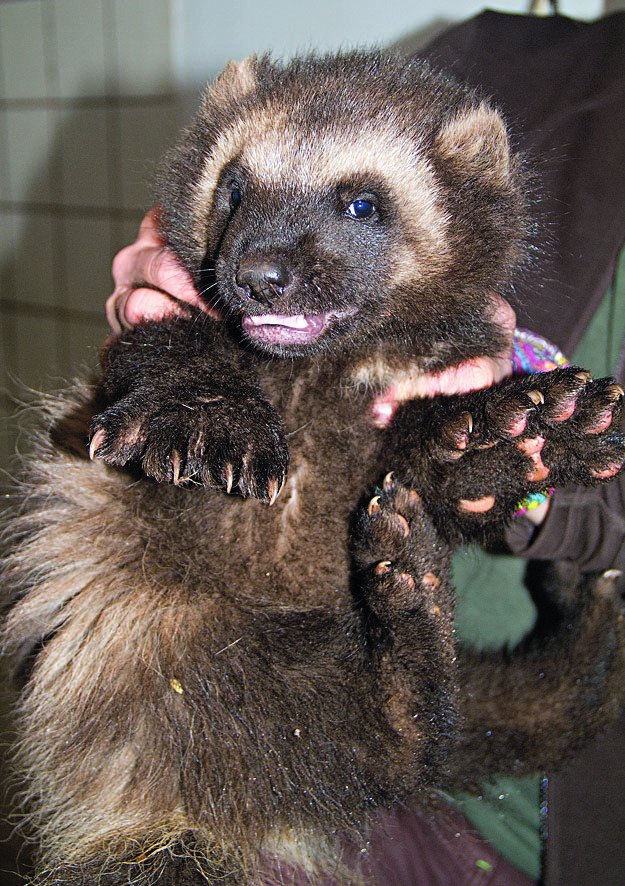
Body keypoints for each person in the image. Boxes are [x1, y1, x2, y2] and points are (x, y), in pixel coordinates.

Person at [103, 10, 625, 884]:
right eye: (237, 196)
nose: (261, 259)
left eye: (358, 206)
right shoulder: (505, 54)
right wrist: (164, 349)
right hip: (221, 740)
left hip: (521, 810)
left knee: (543, 707)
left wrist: (513, 423)